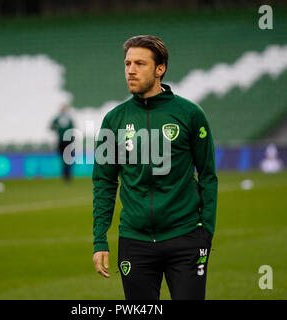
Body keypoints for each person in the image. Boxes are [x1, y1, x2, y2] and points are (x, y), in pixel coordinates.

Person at [92, 35, 218, 300]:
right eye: (127, 64)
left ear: (160, 69)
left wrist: (205, 231)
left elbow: (207, 175)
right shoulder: (114, 119)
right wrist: (100, 239)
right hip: (134, 242)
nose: (131, 70)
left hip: (185, 238)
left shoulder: (190, 114)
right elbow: (104, 181)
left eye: (140, 63)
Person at [50, 103, 74, 181]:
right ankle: (66, 174)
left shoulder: (59, 118)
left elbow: (52, 127)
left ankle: (66, 174)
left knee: (65, 158)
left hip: (65, 141)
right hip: (65, 141)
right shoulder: (67, 118)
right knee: (66, 158)